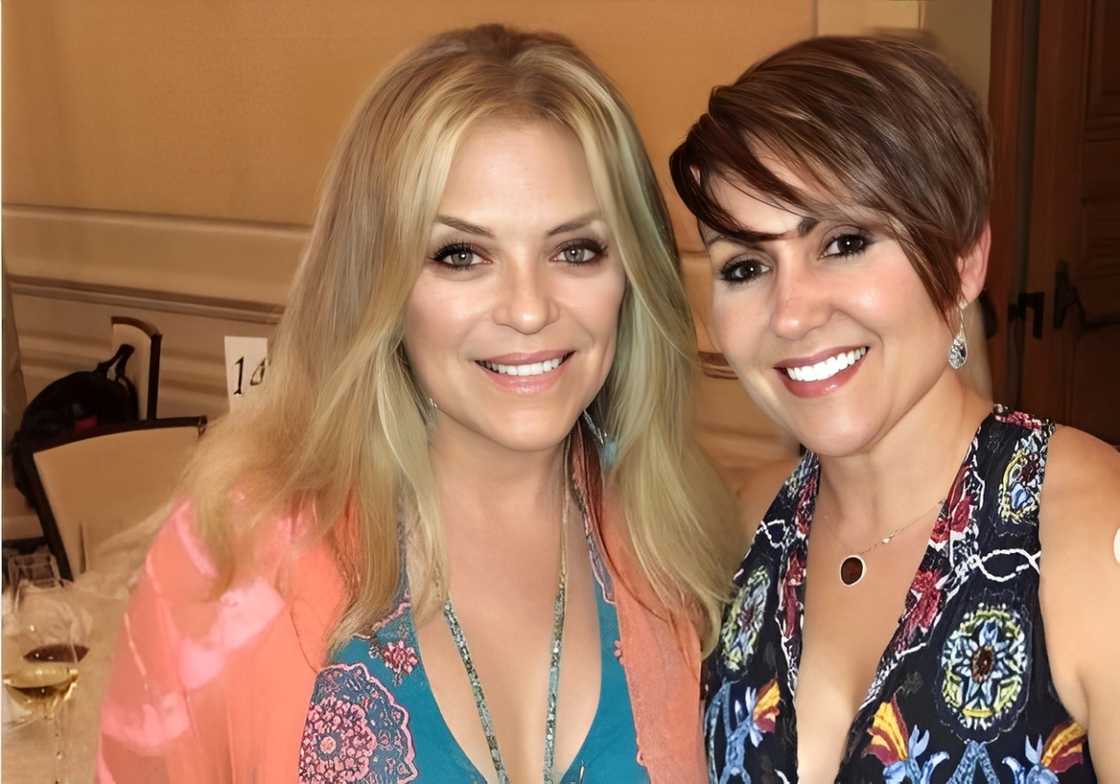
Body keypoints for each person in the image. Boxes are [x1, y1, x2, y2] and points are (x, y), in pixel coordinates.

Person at [98, 24, 738, 783]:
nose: (529, 309)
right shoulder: (236, 557)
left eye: (576, 250)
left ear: (632, 274)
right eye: (460, 255)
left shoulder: (676, 542)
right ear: (379, 285)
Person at [670, 35, 1120, 783]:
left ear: (964, 261)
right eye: (746, 266)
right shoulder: (749, 527)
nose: (790, 314)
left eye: (844, 242)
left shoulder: (1086, 534)